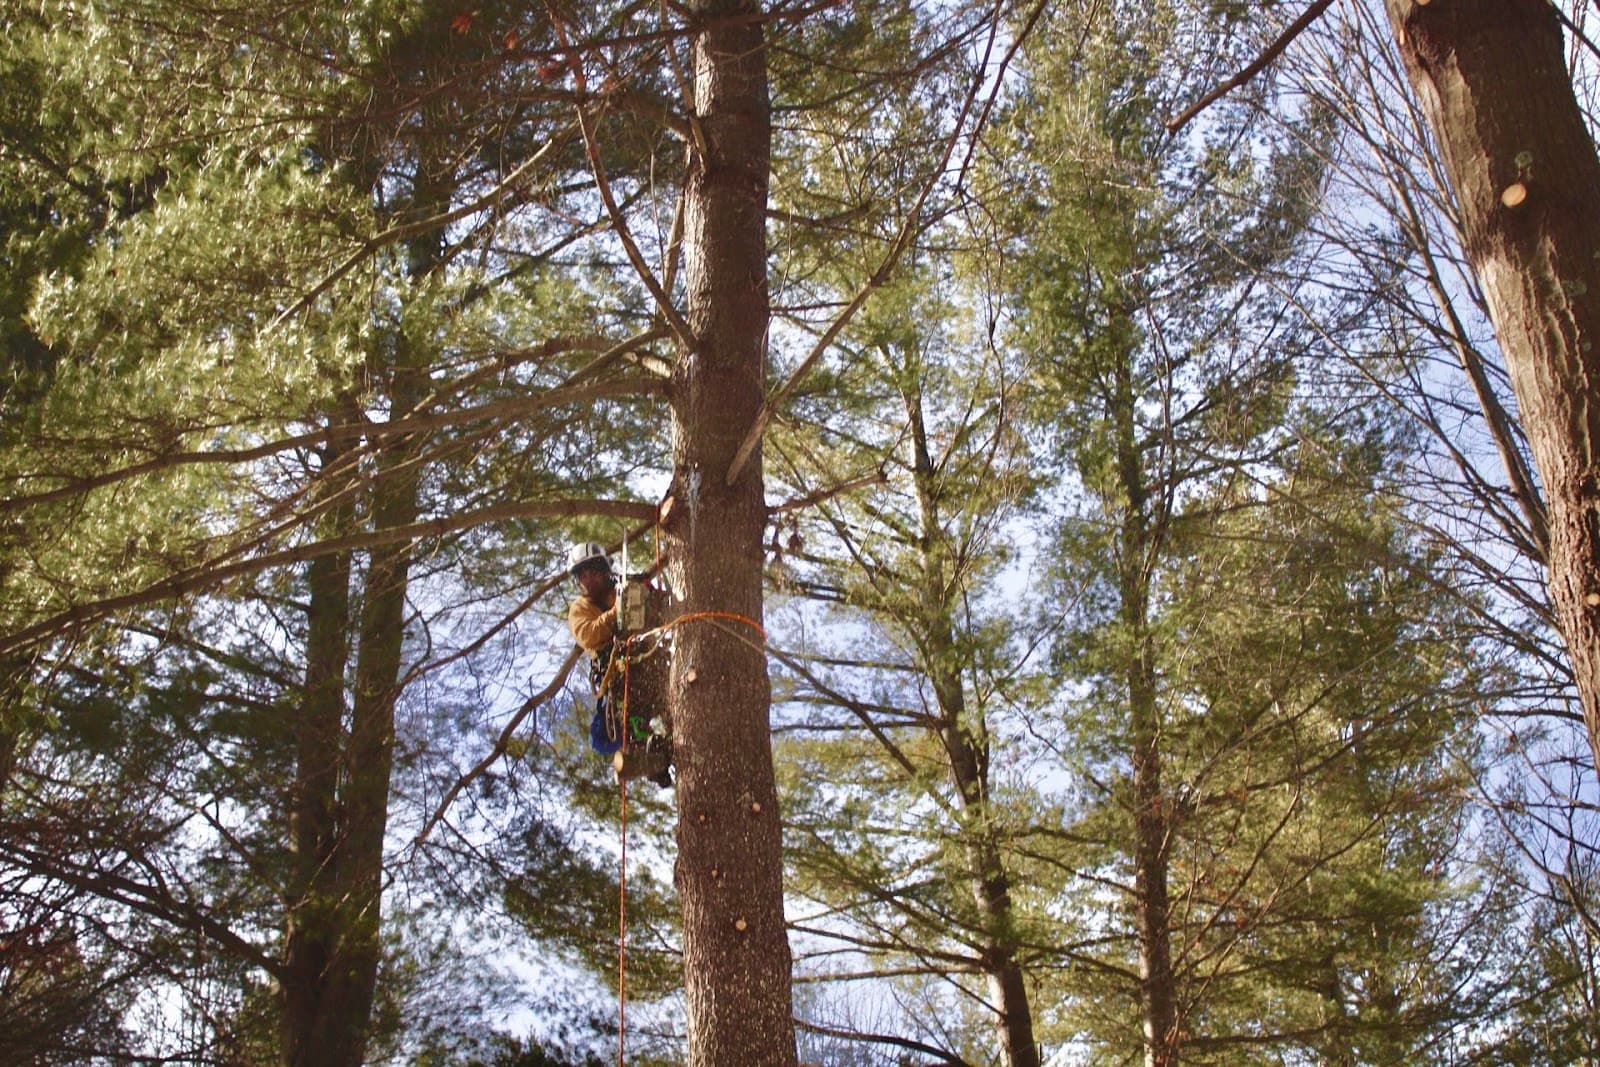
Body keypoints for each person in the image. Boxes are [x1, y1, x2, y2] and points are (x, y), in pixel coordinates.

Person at [565, 541, 672, 788]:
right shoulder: (580, 608)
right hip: (621, 674)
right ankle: (647, 754)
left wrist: (648, 595)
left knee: (672, 704)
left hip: (653, 659)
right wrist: (616, 612)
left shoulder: (629, 586)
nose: (588, 579)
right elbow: (588, 635)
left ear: (604, 571)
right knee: (603, 737)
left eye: (593, 572)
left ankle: (674, 741)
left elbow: (663, 611)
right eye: (583, 576)